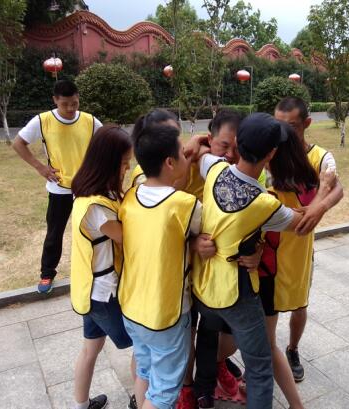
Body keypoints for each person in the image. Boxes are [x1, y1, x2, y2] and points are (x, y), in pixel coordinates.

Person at [192, 112, 335, 409]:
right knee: (258, 367)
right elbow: (302, 223)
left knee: (208, 336)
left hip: (204, 284)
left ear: (237, 143)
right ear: (271, 154)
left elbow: (202, 153)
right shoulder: (263, 203)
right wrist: (323, 190)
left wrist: (198, 140)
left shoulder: (215, 169)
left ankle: (203, 390)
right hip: (236, 292)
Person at [118, 123, 215, 409]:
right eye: (183, 154)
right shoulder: (185, 204)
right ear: (170, 163)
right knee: (163, 393)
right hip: (165, 314)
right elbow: (205, 234)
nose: (188, 158)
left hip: (131, 307)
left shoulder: (131, 196)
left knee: (145, 370)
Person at [258, 123, 334, 409]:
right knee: (296, 309)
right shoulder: (310, 185)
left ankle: (279, 378)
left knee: (267, 339)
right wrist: (322, 194)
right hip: (295, 264)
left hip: (270, 270)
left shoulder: (270, 192)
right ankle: (290, 353)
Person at [274, 96, 344, 382]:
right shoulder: (268, 151)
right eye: (278, 125)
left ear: (307, 123)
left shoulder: (321, 157)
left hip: (300, 248)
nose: (283, 132)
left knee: (300, 303)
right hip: (268, 246)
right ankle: (269, 354)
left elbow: (337, 188)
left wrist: (319, 207)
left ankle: (293, 349)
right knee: (267, 307)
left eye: (291, 126)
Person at [12, 80, 102, 294]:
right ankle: (47, 274)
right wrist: (40, 167)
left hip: (87, 188)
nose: (70, 108)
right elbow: (18, 143)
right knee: (54, 233)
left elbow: (107, 143)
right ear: (55, 100)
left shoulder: (90, 121)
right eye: (65, 104)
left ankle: (97, 270)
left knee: (95, 231)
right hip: (59, 188)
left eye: (75, 103)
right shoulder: (43, 121)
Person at [69, 125, 137, 409]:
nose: (127, 168)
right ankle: (141, 400)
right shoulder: (98, 207)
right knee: (143, 344)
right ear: (107, 163)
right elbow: (129, 240)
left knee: (91, 348)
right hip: (104, 294)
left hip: (89, 291)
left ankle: (81, 405)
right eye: (123, 163)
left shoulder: (85, 192)